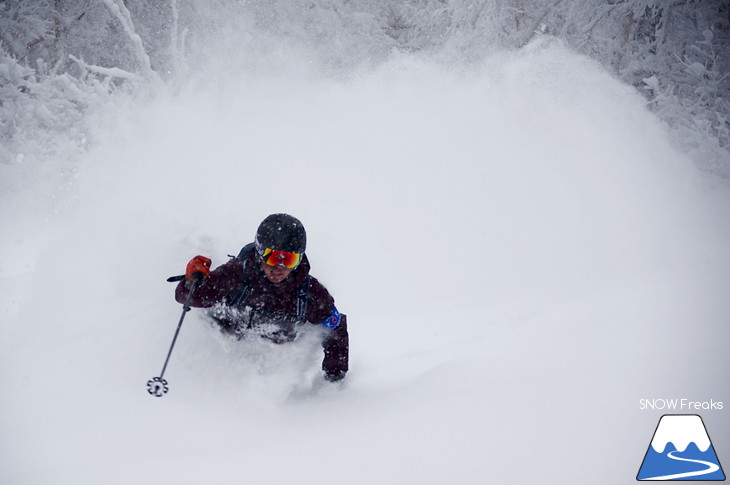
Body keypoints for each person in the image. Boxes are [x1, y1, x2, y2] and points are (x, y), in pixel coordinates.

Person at [175, 213, 349, 382]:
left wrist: (334, 377)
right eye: (273, 257)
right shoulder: (235, 275)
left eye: (289, 260)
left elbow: (335, 327)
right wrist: (192, 282)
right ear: (259, 252)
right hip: (226, 351)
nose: (279, 267)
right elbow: (189, 298)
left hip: (273, 366)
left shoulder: (310, 294)